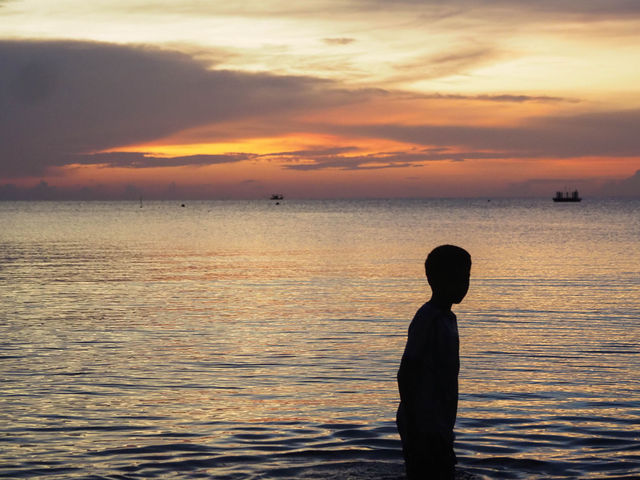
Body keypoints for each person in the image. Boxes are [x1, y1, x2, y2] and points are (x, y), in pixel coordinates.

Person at [396, 245, 471, 479]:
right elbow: (406, 371)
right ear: (433, 279)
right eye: (454, 279)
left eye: (465, 278)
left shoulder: (448, 318)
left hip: (439, 419)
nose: (462, 285)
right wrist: (415, 422)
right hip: (422, 420)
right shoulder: (428, 318)